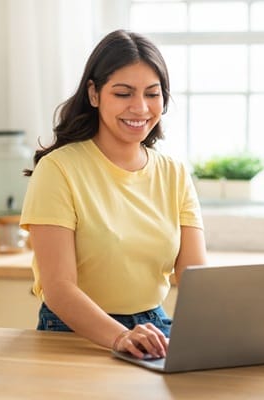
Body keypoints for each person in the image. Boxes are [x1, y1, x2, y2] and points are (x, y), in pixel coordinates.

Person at [20, 29, 207, 359]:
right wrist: (120, 337)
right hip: (75, 333)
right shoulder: (58, 170)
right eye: (123, 94)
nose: (140, 107)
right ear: (94, 94)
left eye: (152, 94)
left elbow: (195, 278)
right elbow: (59, 289)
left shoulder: (174, 173)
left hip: (154, 328)